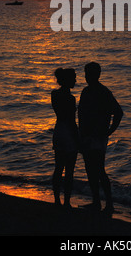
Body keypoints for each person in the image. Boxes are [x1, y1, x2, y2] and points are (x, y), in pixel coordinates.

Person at [78, 62, 123, 215]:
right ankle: (96, 202)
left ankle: (109, 204)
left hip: (97, 138)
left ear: (97, 75)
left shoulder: (104, 92)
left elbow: (118, 113)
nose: (87, 76)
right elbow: (81, 116)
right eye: (86, 73)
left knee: (99, 170)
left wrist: (109, 131)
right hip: (86, 137)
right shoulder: (86, 92)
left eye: (89, 73)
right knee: (90, 170)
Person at [51, 67, 79, 209]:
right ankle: (66, 201)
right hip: (68, 133)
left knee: (58, 167)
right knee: (69, 170)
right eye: (73, 78)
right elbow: (71, 121)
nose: (75, 80)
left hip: (59, 131)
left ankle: (56, 200)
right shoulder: (70, 98)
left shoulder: (54, 94)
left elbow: (60, 115)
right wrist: (78, 138)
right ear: (67, 80)